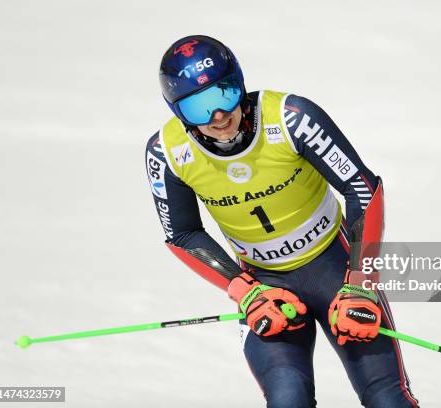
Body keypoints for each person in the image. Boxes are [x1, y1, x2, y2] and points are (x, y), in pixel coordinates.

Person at [145, 35, 418, 408]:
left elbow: (364, 190)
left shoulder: (291, 118)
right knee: (288, 399)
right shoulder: (167, 153)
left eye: (223, 95)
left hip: (336, 270)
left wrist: (361, 281)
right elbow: (182, 234)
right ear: (177, 112)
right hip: (265, 287)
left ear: (240, 86)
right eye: (197, 107)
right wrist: (246, 291)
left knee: (387, 399)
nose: (217, 116)